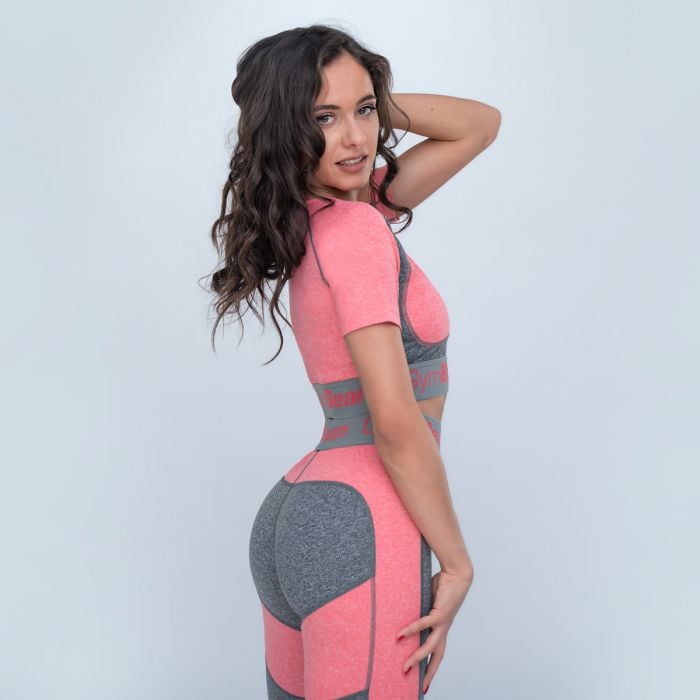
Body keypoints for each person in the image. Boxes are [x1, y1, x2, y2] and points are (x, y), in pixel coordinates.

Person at [208, 24, 501, 699]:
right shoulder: (360, 229)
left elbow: (479, 125)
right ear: (285, 126)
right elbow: (394, 421)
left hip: (297, 515)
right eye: (322, 118)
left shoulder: (318, 218)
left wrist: (365, 102)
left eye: (363, 111)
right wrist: (456, 563)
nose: (355, 139)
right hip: (364, 525)